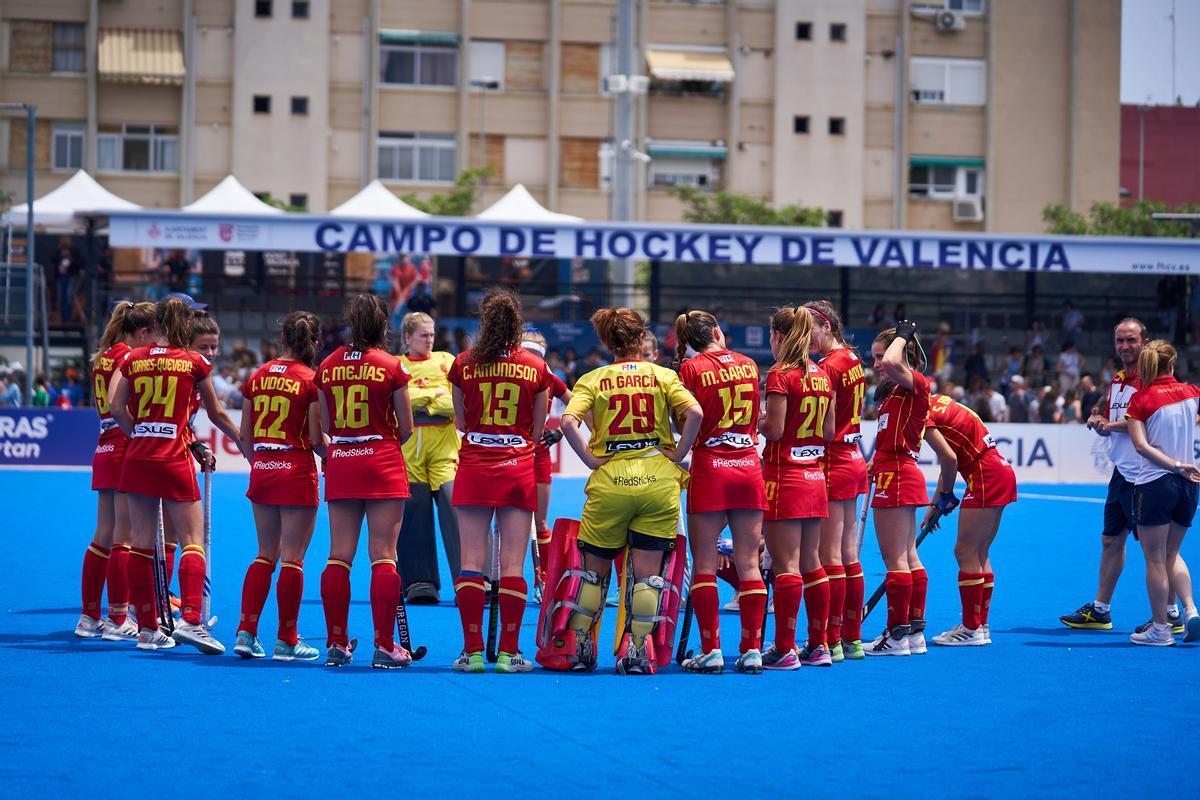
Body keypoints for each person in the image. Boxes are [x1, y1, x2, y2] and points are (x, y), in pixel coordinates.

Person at [555, 307, 702, 674]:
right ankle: (637, 651)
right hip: (657, 479)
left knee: (593, 573)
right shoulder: (662, 375)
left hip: (611, 480)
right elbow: (695, 414)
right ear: (640, 339)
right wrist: (680, 453)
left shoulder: (593, 378)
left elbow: (567, 422)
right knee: (647, 576)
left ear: (608, 342)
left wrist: (590, 460)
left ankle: (581, 649)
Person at [108, 297, 246, 652]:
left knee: (141, 545)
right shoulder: (193, 363)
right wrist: (243, 441)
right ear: (185, 325)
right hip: (173, 458)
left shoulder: (134, 358)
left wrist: (137, 432)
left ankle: (148, 630)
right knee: (192, 539)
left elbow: (116, 407)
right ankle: (192, 620)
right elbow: (216, 413)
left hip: (138, 456)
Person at [1061, 319, 1194, 633]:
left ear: (1144, 341)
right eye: (1119, 340)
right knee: (1111, 540)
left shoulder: (1151, 379)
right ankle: (1101, 609)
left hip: (1146, 476)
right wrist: (1099, 418)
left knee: (1160, 553)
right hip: (1122, 472)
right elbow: (1114, 413)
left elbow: (1139, 420)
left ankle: (1171, 614)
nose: (1124, 346)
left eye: (1131, 340)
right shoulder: (1119, 378)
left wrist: (1111, 426)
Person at [448, 290, 550, 673]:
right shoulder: (536, 367)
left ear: (484, 323)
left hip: (475, 465)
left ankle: (472, 652)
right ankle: (508, 653)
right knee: (512, 564)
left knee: (471, 562)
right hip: (517, 469)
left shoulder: (463, 364)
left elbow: (461, 422)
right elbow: (538, 430)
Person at [316, 294, 415, 668]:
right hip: (382, 461)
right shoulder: (391, 365)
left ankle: (337, 643)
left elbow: (327, 426)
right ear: (383, 326)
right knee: (383, 555)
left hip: (343, 460)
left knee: (339, 555)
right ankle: (384, 644)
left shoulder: (327, 366)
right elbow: (405, 428)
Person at [673, 310, 766, 674]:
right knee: (749, 563)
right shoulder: (748, 364)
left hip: (711, 468)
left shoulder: (690, 370)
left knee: (705, 566)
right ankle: (752, 649)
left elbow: (683, 420)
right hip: (747, 467)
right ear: (715, 332)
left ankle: (711, 649)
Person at [232, 312, 327, 661]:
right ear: (313, 343)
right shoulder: (310, 380)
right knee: (293, 558)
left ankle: (246, 631)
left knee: (264, 554)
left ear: (282, 339)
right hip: (296, 469)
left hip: (264, 470)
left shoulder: (257, 376)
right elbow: (316, 439)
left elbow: (246, 435)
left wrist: (259, 462)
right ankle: (287, 638)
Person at [74, 301, 158, 641]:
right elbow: (120, 404)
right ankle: (119, 618)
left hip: (104, 447)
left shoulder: (104, 356)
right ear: (143, 332)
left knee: (104, 533)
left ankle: (89, 615)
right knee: (123, 536)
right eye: (154, 336)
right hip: (124, 446)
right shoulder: (128, 358)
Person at [760, 308, 835, 669]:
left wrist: (753, 419)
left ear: (778, 336)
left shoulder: (780, 374)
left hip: (784, 475)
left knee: (786, 566)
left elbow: (773, 430)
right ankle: (819, 644)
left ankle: (784, 647)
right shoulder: (822, 375)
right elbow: (831, 431)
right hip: (815, 475)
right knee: (812, 563)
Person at [865, 322, 940, 656]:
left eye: (881, 356)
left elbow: (896, 363)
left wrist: (903, 335)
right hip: (894, 471)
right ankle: (913, 633)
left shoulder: (915, 383)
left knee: (894, 558)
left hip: (897, 477)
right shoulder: (894, 393)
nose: (878, 364)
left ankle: (896, 636)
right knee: (908, 556)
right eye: (875, 358)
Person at [803, 300, 869, 661]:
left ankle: (829, 640)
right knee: (847, 554)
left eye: (809, 329)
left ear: (826, 326)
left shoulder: (827, 366)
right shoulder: (853, 359)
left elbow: (822, 426)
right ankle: (850, 638)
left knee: (829, 555)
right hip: (852, 457)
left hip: (832, 460)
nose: (805, 338)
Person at [924, 393, 1018, 646]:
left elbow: (949, 459)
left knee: (965, 550)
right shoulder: (939, 400)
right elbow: (952, 457)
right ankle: (979, 624)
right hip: (997, 469)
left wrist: (943, 496)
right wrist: (937, 502)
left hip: (984, 474)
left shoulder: (923, 414)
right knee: (979, 552)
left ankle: (970, 628)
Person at [1123, 340, 1200, 645]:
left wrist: (1175, 464)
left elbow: (1141, 446)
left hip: (1157, 482)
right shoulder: (1192, 392)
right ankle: (1191, 610)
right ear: (1172, 365)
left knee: (1155, 559)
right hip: (1189, 485)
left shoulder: (1141, 399)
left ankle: (1160, 628)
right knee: (1172, 553)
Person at [397, 311, 461, 604]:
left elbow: (457, 402)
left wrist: (421, 401)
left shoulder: (447, 361)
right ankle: (419, 582)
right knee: (414, 515)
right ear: (408, 337)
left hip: (445, 450)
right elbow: (397, 402)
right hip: (409, 452)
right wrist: (435, 395)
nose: (430, 339)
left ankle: (472, 580)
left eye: (432, 334)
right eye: (424, 335)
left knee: (457, 507)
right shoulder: (396, 365)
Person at [521, 329, 571, 592]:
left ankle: (544, 582)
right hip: (512, 454)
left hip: (538, 454)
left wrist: (560, 431)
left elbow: (576, 406)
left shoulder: (550, 378)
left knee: (540, 522)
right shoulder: (512, 372)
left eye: (535, 356)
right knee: (510, 525)